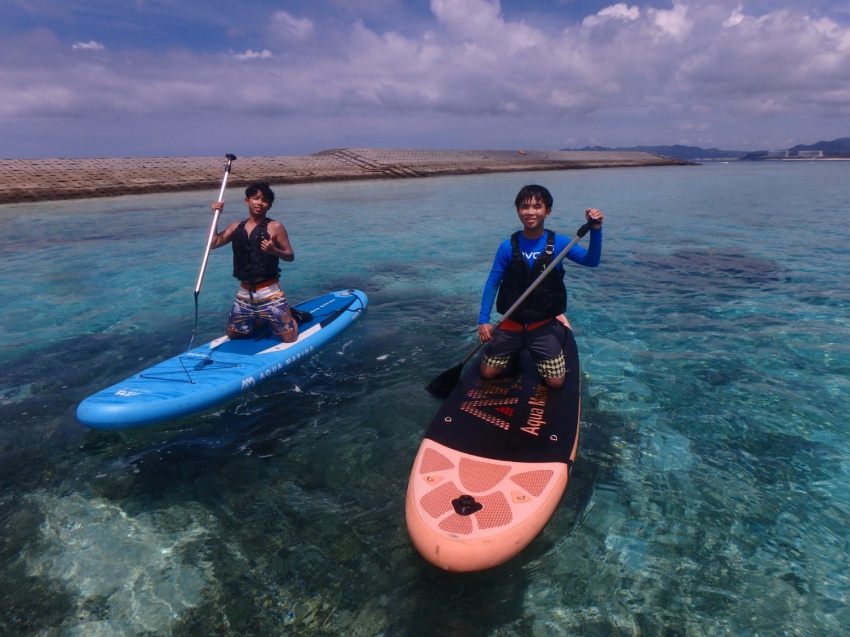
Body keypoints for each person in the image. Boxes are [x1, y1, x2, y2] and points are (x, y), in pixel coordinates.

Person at [478, 184, 604, 389]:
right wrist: (483, 321)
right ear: (518, 210)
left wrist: (596, 230)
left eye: (537, 207)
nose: (530, 212)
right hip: (512, 323)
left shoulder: (561, 244)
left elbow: (591, 261)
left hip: (542, 325)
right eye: (524, 207)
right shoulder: (507, 247)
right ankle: (515, 349)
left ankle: (559, 330)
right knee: (487, 373)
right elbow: (492, 283)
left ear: (547, 211)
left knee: (555, 383)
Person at [209, 182, 299, 343]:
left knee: (289, 338)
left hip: (269, 291)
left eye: (264, 200)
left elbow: (290, 255)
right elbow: (213, 243)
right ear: (247, 201)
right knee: (232, 334)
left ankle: (292, 317)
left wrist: (275, 251)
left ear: (269, 205)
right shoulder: (236, 227)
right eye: (255, 198)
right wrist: (216, 215)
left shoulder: (275, 227)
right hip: (245, 291)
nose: (259, 202)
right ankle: (263, 318)